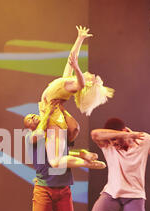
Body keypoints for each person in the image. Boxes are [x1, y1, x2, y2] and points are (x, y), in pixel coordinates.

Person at [26, 25, 114, 170]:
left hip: (54, 118)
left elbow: (80, 82)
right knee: (56, 159)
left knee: (55, 162)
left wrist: (78, 68)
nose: (89, 73)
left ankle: (85, 162)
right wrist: (80, 39)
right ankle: (83, 156)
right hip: (53, 116)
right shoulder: (67, 81)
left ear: (88, 82)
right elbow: (71, 59)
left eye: (91, 76)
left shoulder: (72, 86)